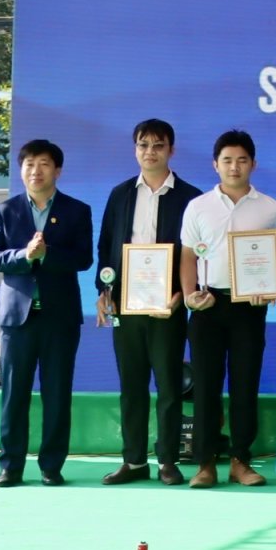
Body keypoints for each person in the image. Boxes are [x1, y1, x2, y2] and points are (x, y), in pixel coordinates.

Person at [177, 129, 276, 488]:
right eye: (227, 160)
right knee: (206, 386)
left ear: (253, 163)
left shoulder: (270, 208)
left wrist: (268, 290)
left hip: (248, 308)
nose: (234, 167)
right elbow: (188, 255)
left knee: (245, 383)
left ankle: (241, 460)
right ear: (215, 164)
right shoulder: (198, 206)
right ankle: (205, 463)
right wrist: (189, 294)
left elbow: (274, 257)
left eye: (242, 160)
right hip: (207, 306)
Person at [94, 119, 201, 485]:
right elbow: (106, 247)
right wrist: (104, 291)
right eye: (143, 145)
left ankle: (168, 461)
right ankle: (134, 460)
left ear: (171, 150)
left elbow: (197, 252)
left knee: (170, 387)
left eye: (158, 145)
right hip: (126, 306)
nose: (150, 152)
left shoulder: (191, 198)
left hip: (169, 306)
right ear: (135, 149)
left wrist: (183, 293)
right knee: (131, 386)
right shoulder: (120, 194)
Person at [0, 140, 94, 487]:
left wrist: (47, 254)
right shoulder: (4, 211)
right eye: (29, 164)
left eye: (44, 164)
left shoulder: (77, 211)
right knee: (14, 394)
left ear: (57, 170)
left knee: (57, 394)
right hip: (17, 320)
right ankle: (10, 466)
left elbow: (83, 258)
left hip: (60, 319)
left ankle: (51, 466)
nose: (36, 171)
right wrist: (25, 255)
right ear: (21, 170)